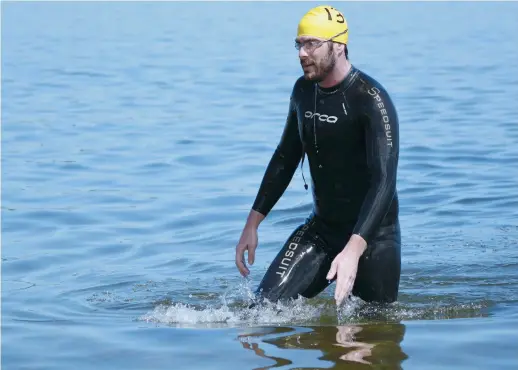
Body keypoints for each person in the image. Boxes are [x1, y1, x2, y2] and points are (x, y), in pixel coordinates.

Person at [235, 5, 401, 307]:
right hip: (321, 232)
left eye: (311, 44)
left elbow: (384, 181)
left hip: (373, 239)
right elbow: (285, 157)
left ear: (338, 45)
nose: (302, 53)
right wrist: (252, 224)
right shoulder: (303, 92)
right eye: (299, 44)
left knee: (372, 334)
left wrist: (353, 249)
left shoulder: (371, 99)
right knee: (258, 312)